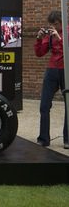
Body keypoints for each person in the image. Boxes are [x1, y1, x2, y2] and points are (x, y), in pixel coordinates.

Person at [34, 10, 68, 149]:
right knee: (44, 105)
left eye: (55, 24)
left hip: (67, 70)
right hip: (52, 70)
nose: (53, 27)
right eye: (51, 25)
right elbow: (39, 53)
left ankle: (67, 139)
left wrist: (59, 38)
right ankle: (43, 139)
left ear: (61, 21)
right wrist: (39, 38)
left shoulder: (66, 31)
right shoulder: (50, 34)